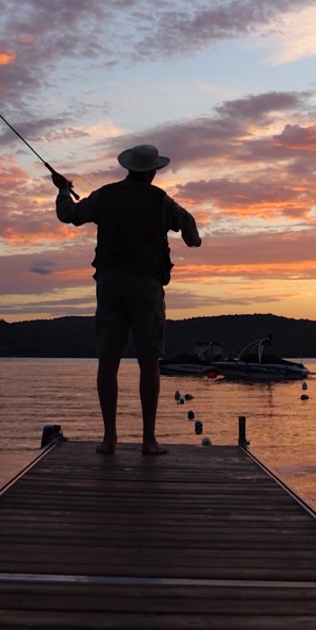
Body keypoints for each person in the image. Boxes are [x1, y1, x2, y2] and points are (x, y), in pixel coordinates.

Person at [53, 143, 201, 456]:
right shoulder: (159, 199)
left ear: (129, 168)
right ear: (152, 171)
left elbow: (69, 215)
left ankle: (110, 440)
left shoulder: (105, 195)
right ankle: (149, 441)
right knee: (149, 362)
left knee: (108, 361)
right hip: (146, 286)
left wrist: (64, 190)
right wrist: (192, 238)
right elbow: (189, 229)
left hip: (109, 284)